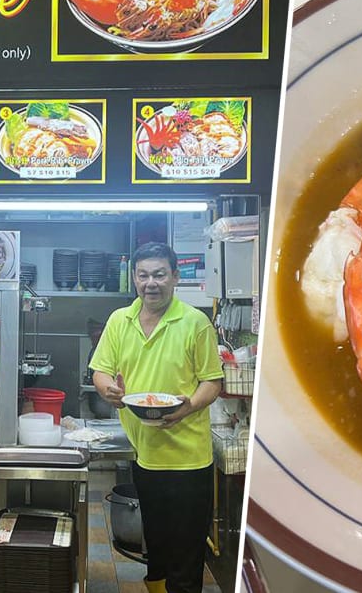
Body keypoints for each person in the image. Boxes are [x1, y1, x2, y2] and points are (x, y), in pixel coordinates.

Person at [91, 242, 224, 593]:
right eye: (144, 275)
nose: (152, 283)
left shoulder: (195, 322)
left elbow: (212, 381)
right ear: (134, 278)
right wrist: (109, 391)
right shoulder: (121, 320)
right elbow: (101, 371)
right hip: (146, 455)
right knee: (158, 548)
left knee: (186, 554)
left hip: (188, 459)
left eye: (160, 275)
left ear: (175, 277)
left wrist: (190, 406)